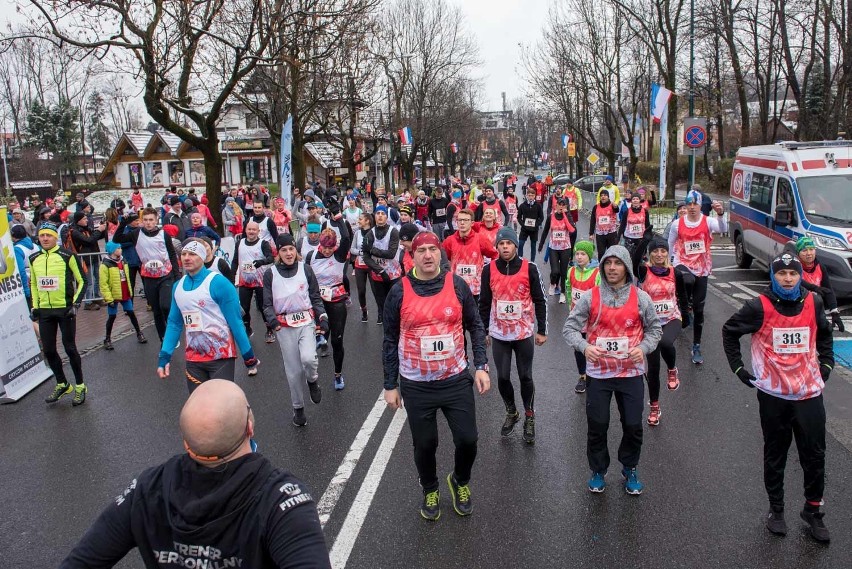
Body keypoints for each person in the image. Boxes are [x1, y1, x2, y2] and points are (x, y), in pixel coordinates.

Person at [59, 380, 331, 568]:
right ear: (250, 427)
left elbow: (81, 561)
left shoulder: (147, 490)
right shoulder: (281, 501)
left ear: (186, 444)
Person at [722, 253, 833, 543]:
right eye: (781, 274)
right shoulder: (758, 305)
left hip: (808, 392)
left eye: (792, 274)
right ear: (773, 276)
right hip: (773, 394)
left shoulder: (813, 301)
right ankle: (777, 510)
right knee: (776, 454)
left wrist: (827, 365)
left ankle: (813, 510)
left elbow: (824, 334)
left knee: (815, 454)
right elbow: (729, 331)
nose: (787, 279)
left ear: (800, 277)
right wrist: (738, 368)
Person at [382, 231, 491, 521]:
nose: (428, 255)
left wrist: (481, 365)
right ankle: (430, 488)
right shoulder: (399, 290)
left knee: (468, 440)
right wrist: (390, 384)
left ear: (441, 254)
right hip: (417, 384)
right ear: (412, 255)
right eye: (422, 251)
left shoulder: (457, 284)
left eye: (433, 249)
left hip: (455, 379)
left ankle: (459, 480)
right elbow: (390, 339)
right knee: (425, 444)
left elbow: (475, 326)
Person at [563, 245, 662, 495]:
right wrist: (585, 348)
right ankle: (598, 469)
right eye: (608, 263)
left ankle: (629, 467)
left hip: (630, 372)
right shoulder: (591, 296)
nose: (612, 268)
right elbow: (570, 328)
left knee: (632, 424)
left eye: (618, 263)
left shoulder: (641, 297)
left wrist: (644, 348)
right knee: (598, 423)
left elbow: (655, 330)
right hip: (599, 373)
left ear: (626, 267)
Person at [158, 239, 259, 391]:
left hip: (221, 356)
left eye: (192, 254)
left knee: (220, 407)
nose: (186, 257)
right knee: (199, 409)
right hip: (194, 357)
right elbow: (174, 323)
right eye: (184, 254)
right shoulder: (177, 287)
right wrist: (164, 356)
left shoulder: (219, 283)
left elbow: (236, 322)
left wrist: (248, 356)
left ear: (203, 257)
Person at [479, 227, 547, 443]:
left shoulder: (530, 268)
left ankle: (529, 415)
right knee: (503, 377)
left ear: (516, 246)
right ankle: (511, 412)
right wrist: (484, 330)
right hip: (499, 333)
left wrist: (542, 330)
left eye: (509, 243)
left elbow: (540, 300)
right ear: (497, 247)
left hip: (523, 332)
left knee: (525, 376)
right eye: (501, 244)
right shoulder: (489, 269)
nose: (505, 247)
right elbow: (484, 302)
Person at [263, 234, 327, 427]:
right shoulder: (270, 274)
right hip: (284, 326)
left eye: (291, 249)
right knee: (293, 371)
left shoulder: (305, 269)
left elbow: (315, 296)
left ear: (296, 250)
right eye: (284, 250)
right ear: (279, 253)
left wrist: (322, 317)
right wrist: (273, 322)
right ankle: (298, 408)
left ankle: (313, 380)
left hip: (305, 321)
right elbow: (266, 304)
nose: (289, 253)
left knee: (308, 358)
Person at [30, 222, 89, 406]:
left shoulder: (67, 255)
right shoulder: (34, 258)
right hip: (45, 311)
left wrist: (76, 303)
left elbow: (82, 280)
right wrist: (35, 305)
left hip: (65, 309)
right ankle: (62, 384)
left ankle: (80, 386)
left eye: (48, 235)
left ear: (55, 237)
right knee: (48, 350)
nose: (45, 239)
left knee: (70, 348)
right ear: (38, 238)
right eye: (42, 236)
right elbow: (33, 283)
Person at [668, 193, 727, 365]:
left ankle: (696, 345)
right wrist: (670, 264)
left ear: (700, 206)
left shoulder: (707, 221)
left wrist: (721, 214)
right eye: (689, 204)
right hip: (682, 263)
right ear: (685, 206)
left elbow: (722, 229)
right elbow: (671, 244)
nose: (692, 207)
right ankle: (684, 309)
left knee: (700, 310)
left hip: (702, 268)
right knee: (687, 281)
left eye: (695, 204)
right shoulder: (677, 224)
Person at [114, 207, 181, 342]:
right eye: (145, 220)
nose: (148, 223)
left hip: (165, 275)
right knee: (156, 311)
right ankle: (163, 338)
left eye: (151, 220)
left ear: (156, 220)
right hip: (149, 277)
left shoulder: (164, 235)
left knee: (165, 306)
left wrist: (176, 275)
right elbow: (117, 239)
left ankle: (172, 331)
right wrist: (123, 223)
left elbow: (172, 254)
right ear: (141, 221)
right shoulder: (136, 234)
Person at [637, 237, 681, 426]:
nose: (660, 254)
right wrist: (644, 240)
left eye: (663, 251)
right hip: (650, 325)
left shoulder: (674, 272)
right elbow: (634, 258)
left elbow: (683, 297)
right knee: (653, 369)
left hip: (672, 318)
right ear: (650, 253)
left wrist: (685, 316)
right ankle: (654, 406)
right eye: (655, 251)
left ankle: (672, 369)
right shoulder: (643, 272)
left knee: (665, 343)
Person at [305, 225, 351, 391]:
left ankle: (338, 375)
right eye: (324, 248)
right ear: (320, 245)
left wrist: (338, 217)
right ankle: (320, 338)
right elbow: (305, 277)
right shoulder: (311, 256)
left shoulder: (338, 255)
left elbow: (346, 237)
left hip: (337, 300)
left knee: (337, 341)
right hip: (318, 300)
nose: (327, 251)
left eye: (330, 248)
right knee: (319, 334)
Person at [565, 240, 599, 394]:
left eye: (583, 254)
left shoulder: (597, 273)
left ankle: (595, 373)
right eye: (577, 254)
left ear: (589, 256)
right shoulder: (571, 271)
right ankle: (583, 375)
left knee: (592, 346)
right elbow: (569, 290)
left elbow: (600, 296)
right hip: (577, 317)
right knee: (578, 348)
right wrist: (570, 309)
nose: (579, 257)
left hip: (592, 319)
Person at [232, 220, 276, 343]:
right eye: (249, 229)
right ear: (245, 230)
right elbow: (235, 260)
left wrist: (261, 262)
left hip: (260, 281)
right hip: (244, 281)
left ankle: (269, 330)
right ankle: (247, 329)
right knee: (244, 308)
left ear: (258, 231)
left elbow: (271, 258)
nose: (251, 232)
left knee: (263, 308)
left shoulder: (263, 243)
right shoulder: (240, 243)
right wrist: (231, 276)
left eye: (254, 230)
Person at [99, 241, 147, 350]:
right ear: (112, 251)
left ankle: (139, 333)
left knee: (131, 313)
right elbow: (103, 284)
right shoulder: (105, 265)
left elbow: (127, 278)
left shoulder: (123, 261)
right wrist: (108, 298)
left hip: (125, 292)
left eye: (120, 248)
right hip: (113, 294)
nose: (120, 250)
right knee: (112, 316)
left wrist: (130, 291)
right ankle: (107, 338)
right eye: (118, 248)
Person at [442, 209, 497, 300]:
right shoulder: (449, 241)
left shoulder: (480, 239)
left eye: (466, 220)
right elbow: (443, 259)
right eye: (460, 220)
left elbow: (494, 255)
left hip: (475, 289)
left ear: (472, 223)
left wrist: (489, 273)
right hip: (456, 288)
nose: (462, 223)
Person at [362, 205, 402, 325]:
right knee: (382, 304)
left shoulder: (393, 231)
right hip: (378, 274)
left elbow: (391, 253)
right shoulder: (370, 234)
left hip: (393, 275)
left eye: (383, 213)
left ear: (386, 216)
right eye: (378, 213)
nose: (380, 215)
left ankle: (397, 327)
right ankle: (387, 331)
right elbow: (366, 257)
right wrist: (380, 271)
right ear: (374, 216)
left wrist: (372, 250)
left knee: (395, 304)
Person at [795, 236, 845, 332]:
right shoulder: (795, 266)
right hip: (797, 308)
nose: (809, 253)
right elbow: (798, 282)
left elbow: (828, 289)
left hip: (816, 307)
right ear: (798, 253)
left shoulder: (820, 267)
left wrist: (834, 312)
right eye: (804, 250)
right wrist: (814, 288)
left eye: (811, 249)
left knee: (826, 332)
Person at [538, 197, 576, 302]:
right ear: (556, 205)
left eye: (564, 205)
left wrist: (565, 215)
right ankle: (552, 283)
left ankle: (563, 293)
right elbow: (545, 231)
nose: (561, 206)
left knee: (563, 272)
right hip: (553, 248)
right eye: (560, 204)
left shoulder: (568, 216)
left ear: (566, 207)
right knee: (555, 271)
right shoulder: (551, 217)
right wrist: (541, 245)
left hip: (565, 248)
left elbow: (572, 230)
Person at [618, 193, 653, 278]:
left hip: (641, 238)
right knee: (629, 258)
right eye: (633, 199)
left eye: (637, 199)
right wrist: (618, 237)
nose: (635, 200)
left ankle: (639, 276)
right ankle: (628, 275)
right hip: (629, 238)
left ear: (639, 200)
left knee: (640, 258)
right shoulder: (627, 211)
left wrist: (648, 235)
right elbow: (623, 225)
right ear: (632, 201)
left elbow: (647, 224)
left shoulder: (645, 211)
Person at [351, 212, 373, 323]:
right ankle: (364, 310)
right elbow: (352, 249)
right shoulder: (357, 233)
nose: (358, 221)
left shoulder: (374, 232)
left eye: (360, 219)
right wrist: (361, 252)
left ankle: (380, 313)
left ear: (367, 221)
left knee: (376, 291)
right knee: (361, 291)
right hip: (360, 265)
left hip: (372, 265)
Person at [11, 224, 39, 310]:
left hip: (28, 281)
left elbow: (21, 270)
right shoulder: (35, 246)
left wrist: (26, 290)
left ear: (13, 236)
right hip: (38, 278)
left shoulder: (17, 249)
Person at [588, 189, 620, 261]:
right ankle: (601, 268)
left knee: (612, 253)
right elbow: (593, 220)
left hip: (611, 233)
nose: (603, 197)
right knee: (601, 253)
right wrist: (591, 233)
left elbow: (617, 210)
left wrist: (616, 207)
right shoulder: (596, 207)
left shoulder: (612, 205)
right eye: (601, 195)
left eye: (605, 195)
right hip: (600, 234)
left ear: (608, 197)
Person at [517, 187, 544, 262]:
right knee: (520, 244)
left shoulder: (538, 205)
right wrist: (523, 225)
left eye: (532, 195)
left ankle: (532, 262)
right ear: (526, 196)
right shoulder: (522, 205)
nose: (530, 197)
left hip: (534, 230)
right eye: (529, 195)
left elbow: (541, 218)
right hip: (524, 229)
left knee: (533, 246)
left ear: (534, 196)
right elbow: (519, 217)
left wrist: (536, 225)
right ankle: (520, 261)